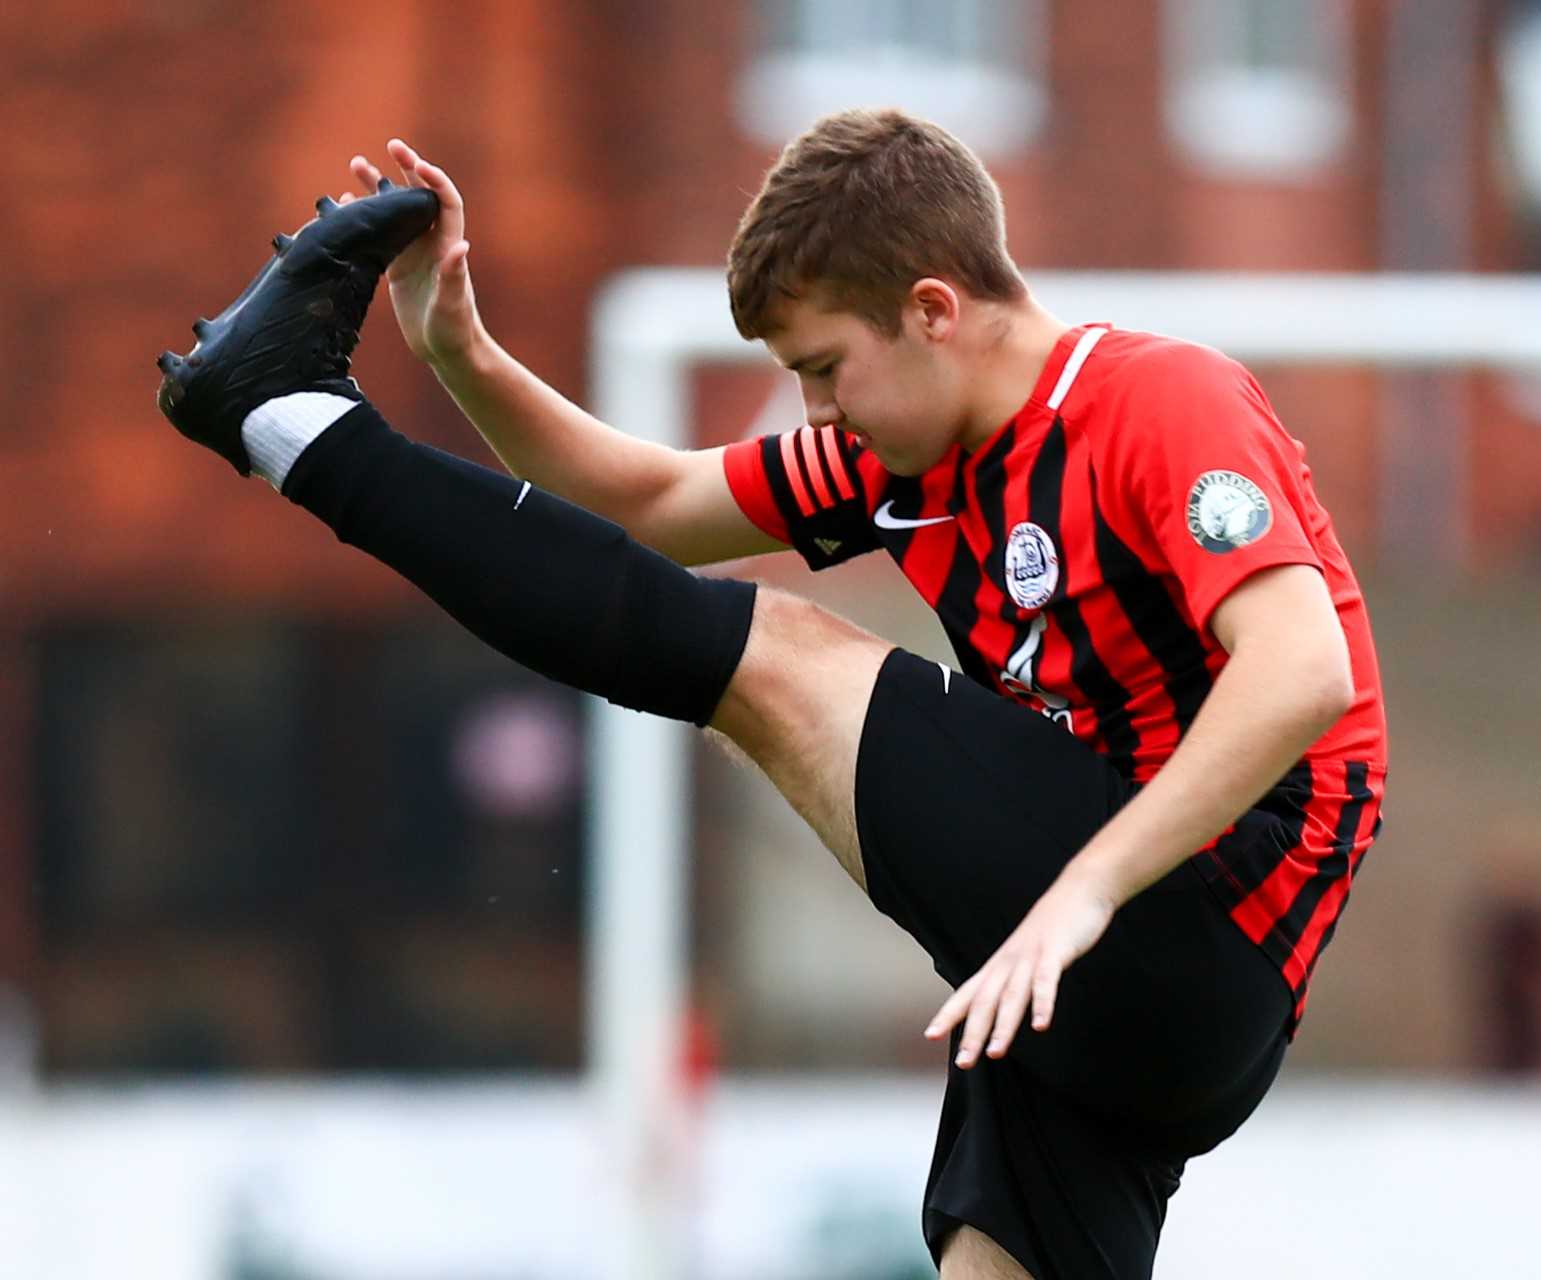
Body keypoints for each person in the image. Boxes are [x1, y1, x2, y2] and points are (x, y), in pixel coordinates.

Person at [156, 110, 1386, 1280]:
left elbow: (1302, 670)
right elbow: (649, 508)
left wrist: (1083, 890)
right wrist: (459, 350)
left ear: (933, 311)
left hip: (1192, 932)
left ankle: (293, 424)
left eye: (824, 367)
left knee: (780, 655)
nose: (817, 407)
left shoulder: (1157, 400)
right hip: (1092, 992)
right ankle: (294, 417)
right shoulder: (906, 450)